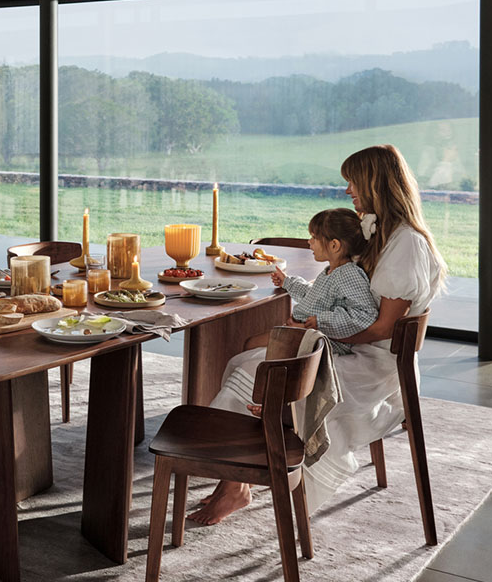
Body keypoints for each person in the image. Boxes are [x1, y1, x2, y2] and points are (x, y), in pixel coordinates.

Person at [189, 144, 447, 525]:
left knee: (257, 371)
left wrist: (315, 334)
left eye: (353, 183)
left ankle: (235, 485)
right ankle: (237, 479)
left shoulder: (405, 244)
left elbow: (381, 329)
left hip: (375, 367)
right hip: (350, 350)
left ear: (374, 184)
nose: (348, 192)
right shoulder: (382, 233)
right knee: (245, 360)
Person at [247, 208, 377, 358]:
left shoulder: (348, 274)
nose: (309, 242)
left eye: (314, 238)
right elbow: (316, 296)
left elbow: (365, 314)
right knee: (251, 343)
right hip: (305, 333)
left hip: (319, 342)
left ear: (334, 245)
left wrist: (320, 322)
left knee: (250, 345)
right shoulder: (332, 271)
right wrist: (288, 282)